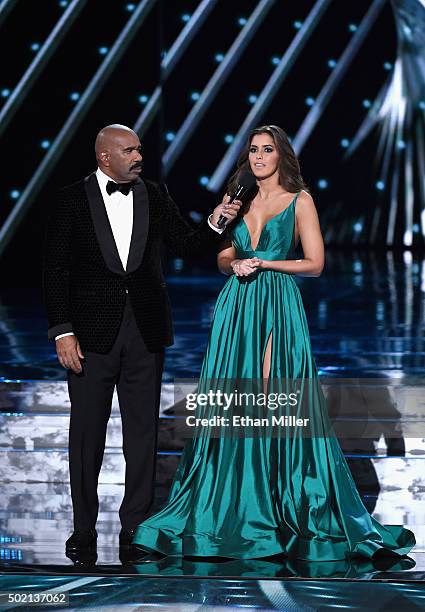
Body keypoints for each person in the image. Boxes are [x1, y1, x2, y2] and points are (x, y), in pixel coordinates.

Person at [132, 125, 415, 562]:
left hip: (277, 304)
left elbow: (316, 264)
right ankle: (235, 507)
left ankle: (276, 507)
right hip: (236, 306)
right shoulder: (237, 200)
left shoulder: (300, 201)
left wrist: (264, 262)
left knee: (270, 400)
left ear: (282, 156)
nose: (259, 157)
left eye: (267, 150)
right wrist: (234, 261)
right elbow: (222, 257)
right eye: (253, 150)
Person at [42, 124, 240, 557]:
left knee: (143, 435)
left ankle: (136, 528)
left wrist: (213, 221)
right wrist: (63, 330)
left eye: (140, 149)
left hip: (145, 332)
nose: (139, 156)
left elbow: (186, 245)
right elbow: (55, 270)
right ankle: (83, 529)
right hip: (90, 337)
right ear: (104, 157)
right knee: (86, 436)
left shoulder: (154, 193)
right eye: (129, 150)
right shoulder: (71, 199)